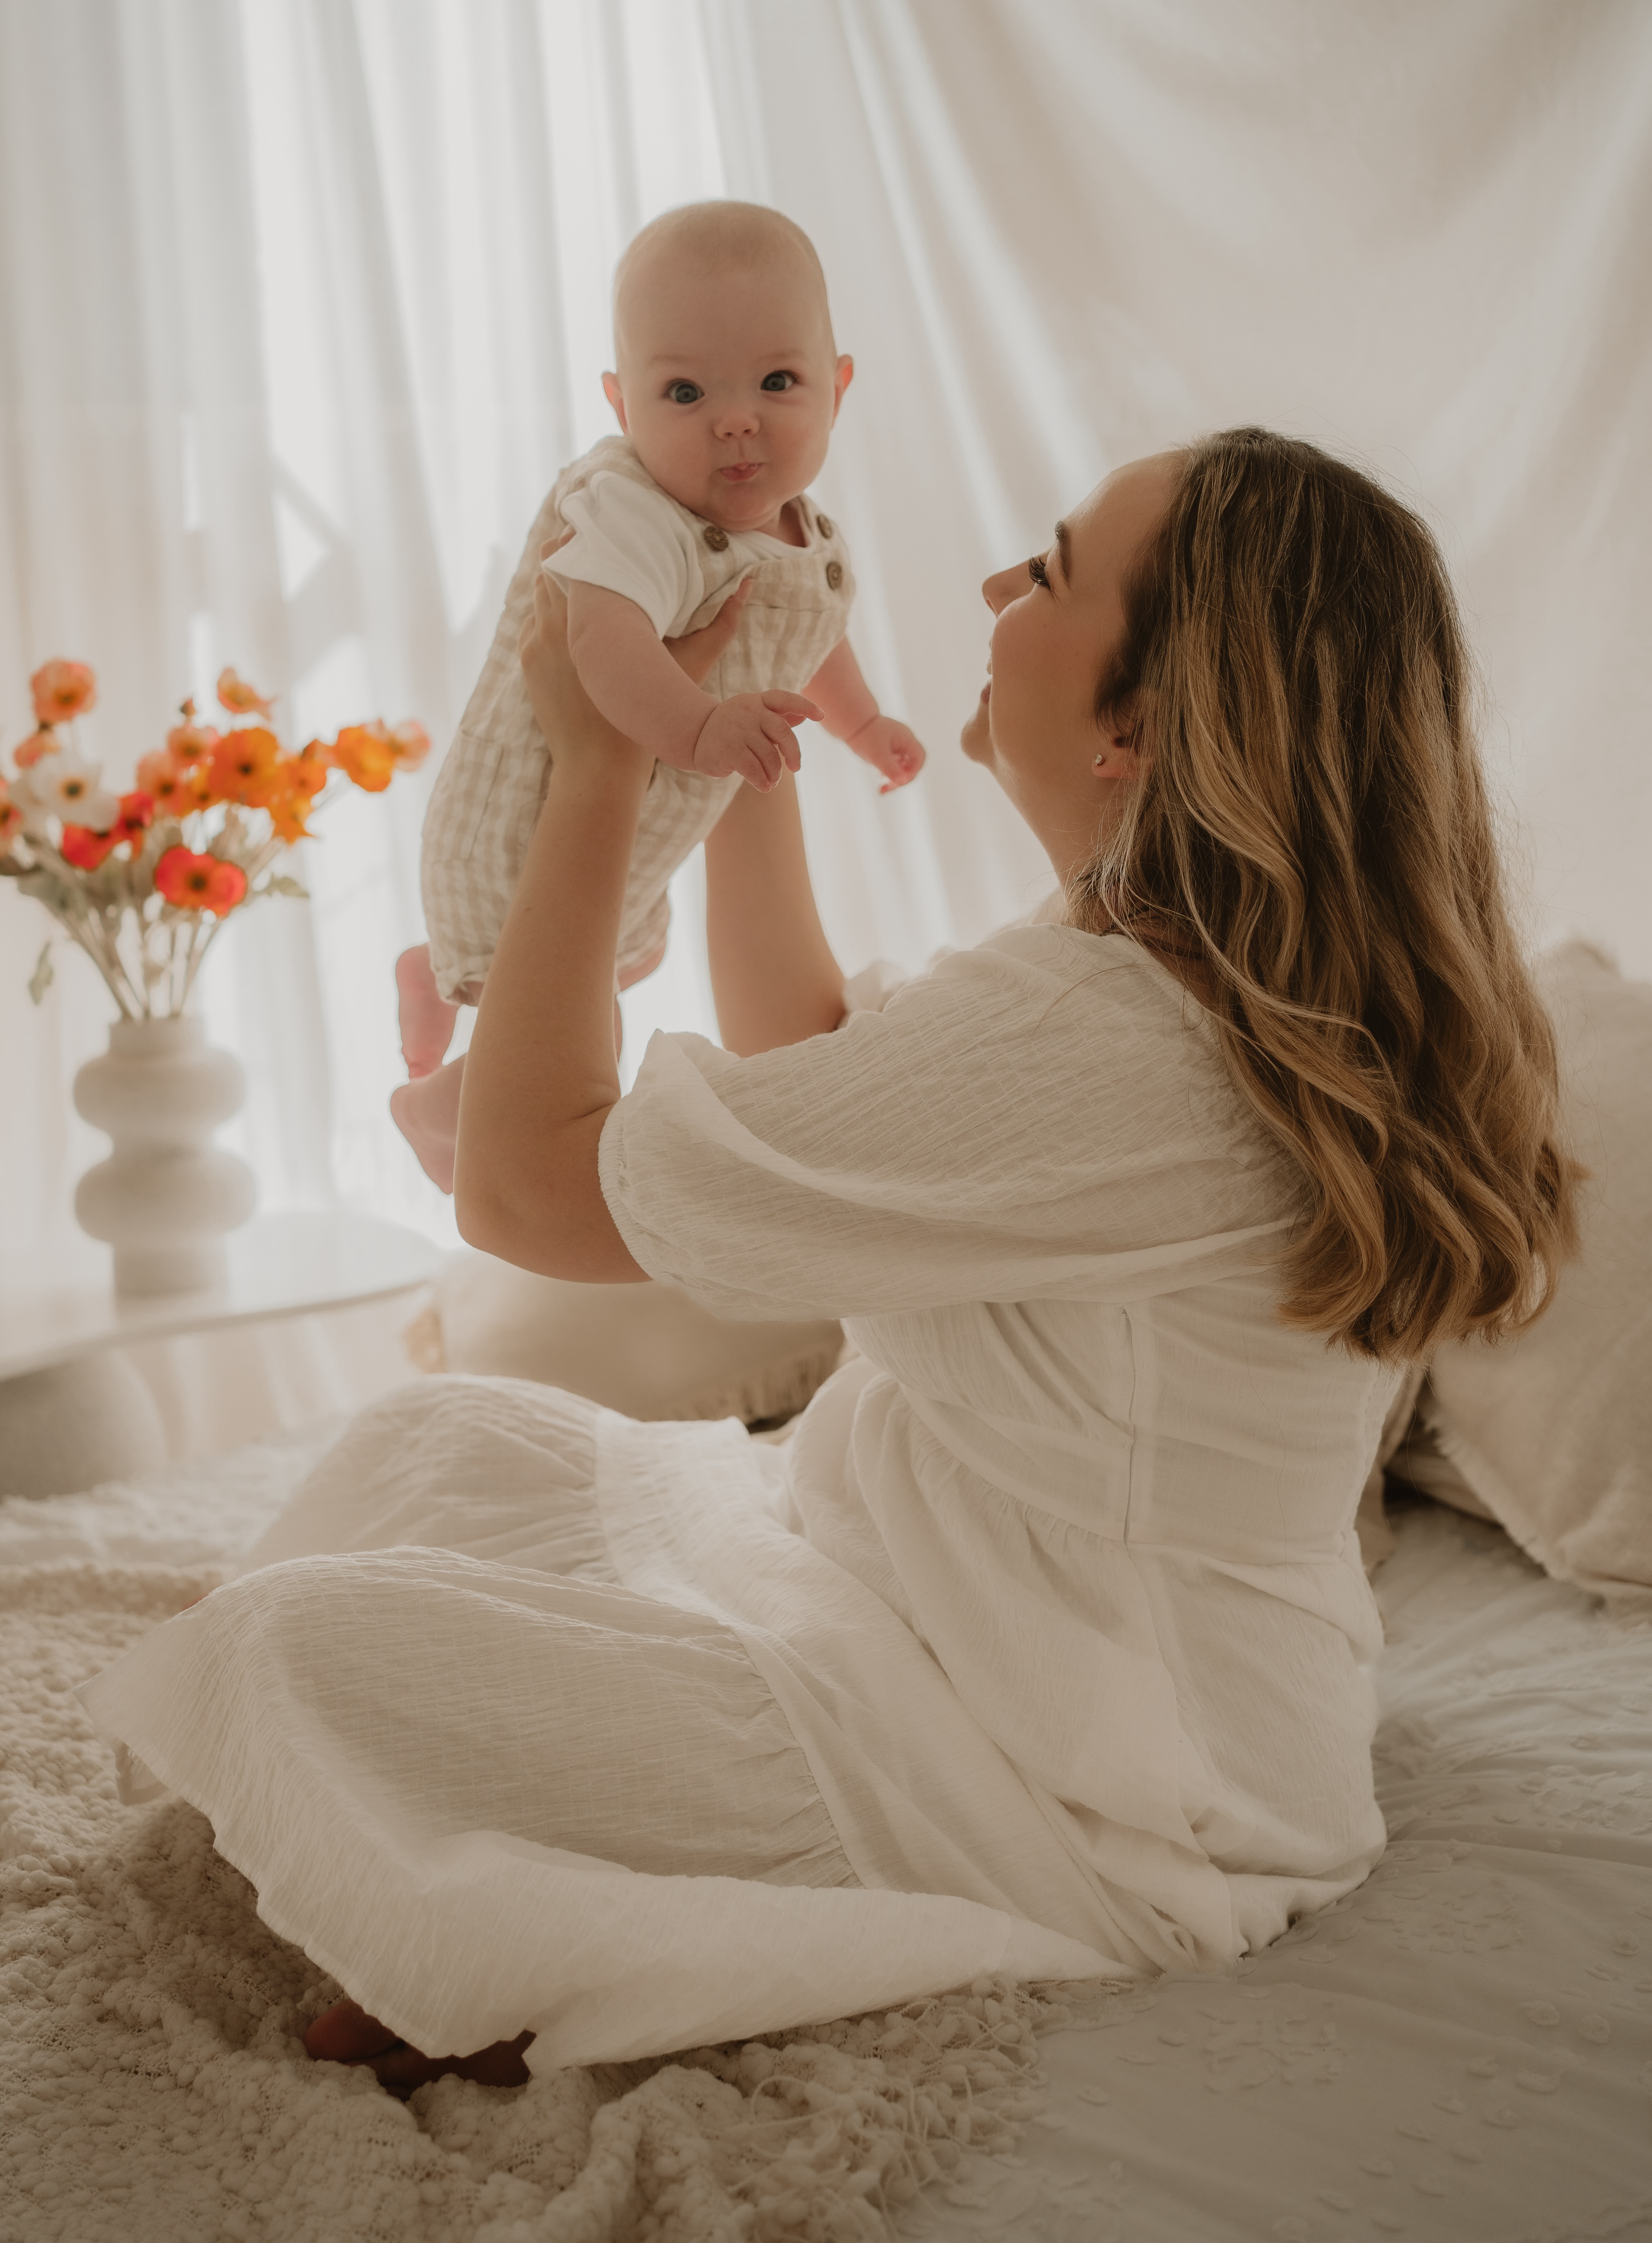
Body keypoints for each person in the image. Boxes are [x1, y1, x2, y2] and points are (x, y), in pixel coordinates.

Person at [82, 429, 1578, 2096]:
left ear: (1141, 726)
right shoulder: (1153, 976)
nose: (998, 589)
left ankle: (565, 1917)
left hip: (1079, 1777)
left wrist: (596, 769)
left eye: (1050, 574)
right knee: (434, 1448)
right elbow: (813, 1065)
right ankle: (532, 1881)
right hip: (966, 1606)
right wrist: (732, 737)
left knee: (292, 1650)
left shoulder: (1113, 1042)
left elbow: (526, 1190)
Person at [393, 200, 924, 1192]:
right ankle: (429, 1105)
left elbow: (807, 629)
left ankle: (433, 972)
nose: (737, 418)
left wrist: (861, 724)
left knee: (612, 972)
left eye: (778, 382)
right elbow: (602, 641)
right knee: (576, 1037)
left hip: (634, 833)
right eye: (685, 391)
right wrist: (703, 724)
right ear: (621, 406)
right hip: (528, 829)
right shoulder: (633, 510)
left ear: (839, 387)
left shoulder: (796, 528)